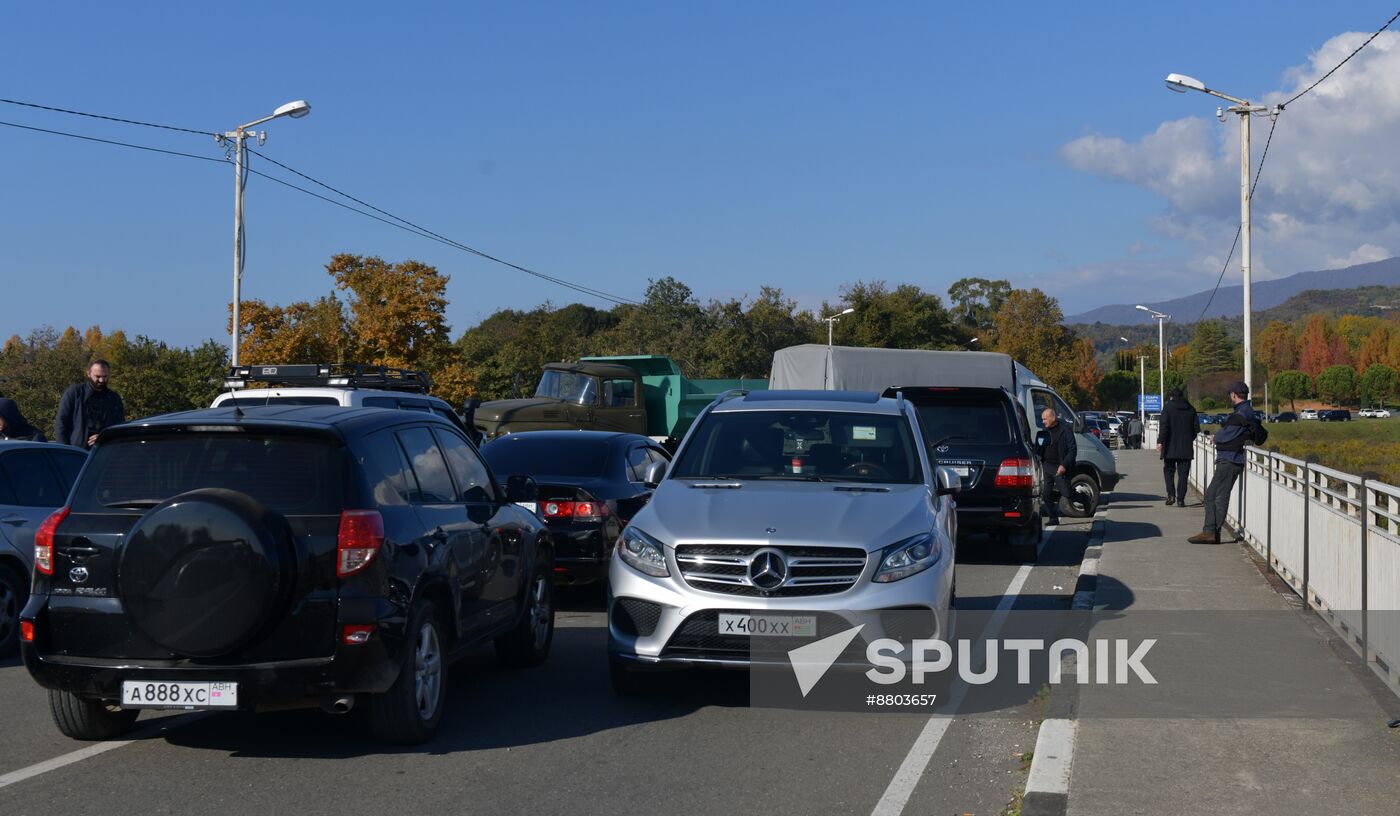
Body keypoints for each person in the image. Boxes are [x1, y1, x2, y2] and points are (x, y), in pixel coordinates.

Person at [1189, 381, 1255, 545]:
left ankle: (1210, 532)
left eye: (1230, 394)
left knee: (1213, 495)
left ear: (1234, 394)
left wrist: (1216, 437)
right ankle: (1212, 532)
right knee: (1219, 495)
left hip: (1230, 459)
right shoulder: (1246, 411)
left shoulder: (1241, 413)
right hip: (1232, 459)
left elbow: (1228, 433)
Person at [54, 359, 125, 449]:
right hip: (77, 451)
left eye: (105, 376)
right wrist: (64, 450)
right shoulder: (75, 393)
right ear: (88, 374)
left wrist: (104, 437)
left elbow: (119, 427)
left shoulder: (114, 398)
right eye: (98, 376)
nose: (102, 380)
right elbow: (61, 423)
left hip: (104, 451)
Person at [1156, 388, 1199, 506]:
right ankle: (1181, 499)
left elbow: (1164, 427)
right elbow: (1196, 428)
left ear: (1171, 397)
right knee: (1183, 475)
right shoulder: (1191, 409)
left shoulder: (1168, 408)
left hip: (1170, 447)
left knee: (1169, 471)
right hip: (1186, 448)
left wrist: (1160, 442)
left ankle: (1171, 495)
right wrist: (1189, 438)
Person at [1037, 407, 1077, 525]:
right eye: (1042, 419)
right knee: (1046, 494)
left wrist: (1064, 465)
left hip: (1060, 467)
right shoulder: (1044, 432)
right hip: (1047, 466)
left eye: (1045, 419)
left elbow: (1072, 450)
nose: (1043, 421)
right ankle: (1053, 518)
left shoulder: (1065, 430)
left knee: (1067, 493)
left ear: (1053, 418)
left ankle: (1084, 498)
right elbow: (1039, 449)